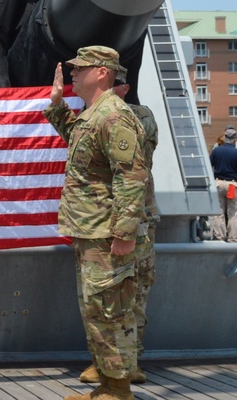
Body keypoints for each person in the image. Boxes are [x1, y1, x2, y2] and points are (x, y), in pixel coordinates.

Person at [44, 46, 147, 400]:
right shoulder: (94, 114)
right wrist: (57, 103)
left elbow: (131, 176)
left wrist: (124, 232)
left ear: (102, 72)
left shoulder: (114, 116)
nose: (72, 73)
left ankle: (117, 391)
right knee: (97, 311)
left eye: (79, 68)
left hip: (106, 235)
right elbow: (77, 141)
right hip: (91, 231)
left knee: (109, 312)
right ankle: (107, 386)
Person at [77, 72, 157, 387]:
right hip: (102, 222)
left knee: (131, 294)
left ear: (123, 87)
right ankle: (105, 363)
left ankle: (129, 364)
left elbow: (132, 167)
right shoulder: (96, 116)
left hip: (136, 222)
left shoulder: (135, 116)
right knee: (100, 298)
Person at [209, 126, 237, 242]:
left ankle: (219, 237)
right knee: (233, 213)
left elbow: (209, 164)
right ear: (235, 139)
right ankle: (233, 238)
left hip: (218, 183)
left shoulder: (216, 150)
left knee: (219, 212)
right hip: (232, 184)